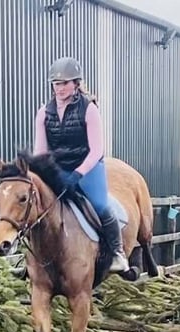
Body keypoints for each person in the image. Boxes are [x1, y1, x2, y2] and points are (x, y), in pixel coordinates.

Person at [32, 56, 129, 272]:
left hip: (88, 167)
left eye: (65, 83)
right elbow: (40, 151)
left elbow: (96, 150)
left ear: (76, 83)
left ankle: (117, 253)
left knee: (101, 205)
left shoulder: (89, 109)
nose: (60, 88)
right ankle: (32, 261)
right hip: (58, 169)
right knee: (35, 205)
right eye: (56, 84)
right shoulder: (43, 113)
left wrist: (78, 173)